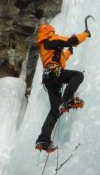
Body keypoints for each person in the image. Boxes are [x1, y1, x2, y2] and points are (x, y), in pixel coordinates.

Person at [34, 23, 90, 152]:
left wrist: (69, 51)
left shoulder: (47, 46)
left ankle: (43, 139)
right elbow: (73, 40)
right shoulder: (50, 40)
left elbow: (61, 59)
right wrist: (85, 34)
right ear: (50, 32)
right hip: (54, 74)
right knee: (78, 76)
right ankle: (67, 100)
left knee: (55, 111)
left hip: (49, 79)